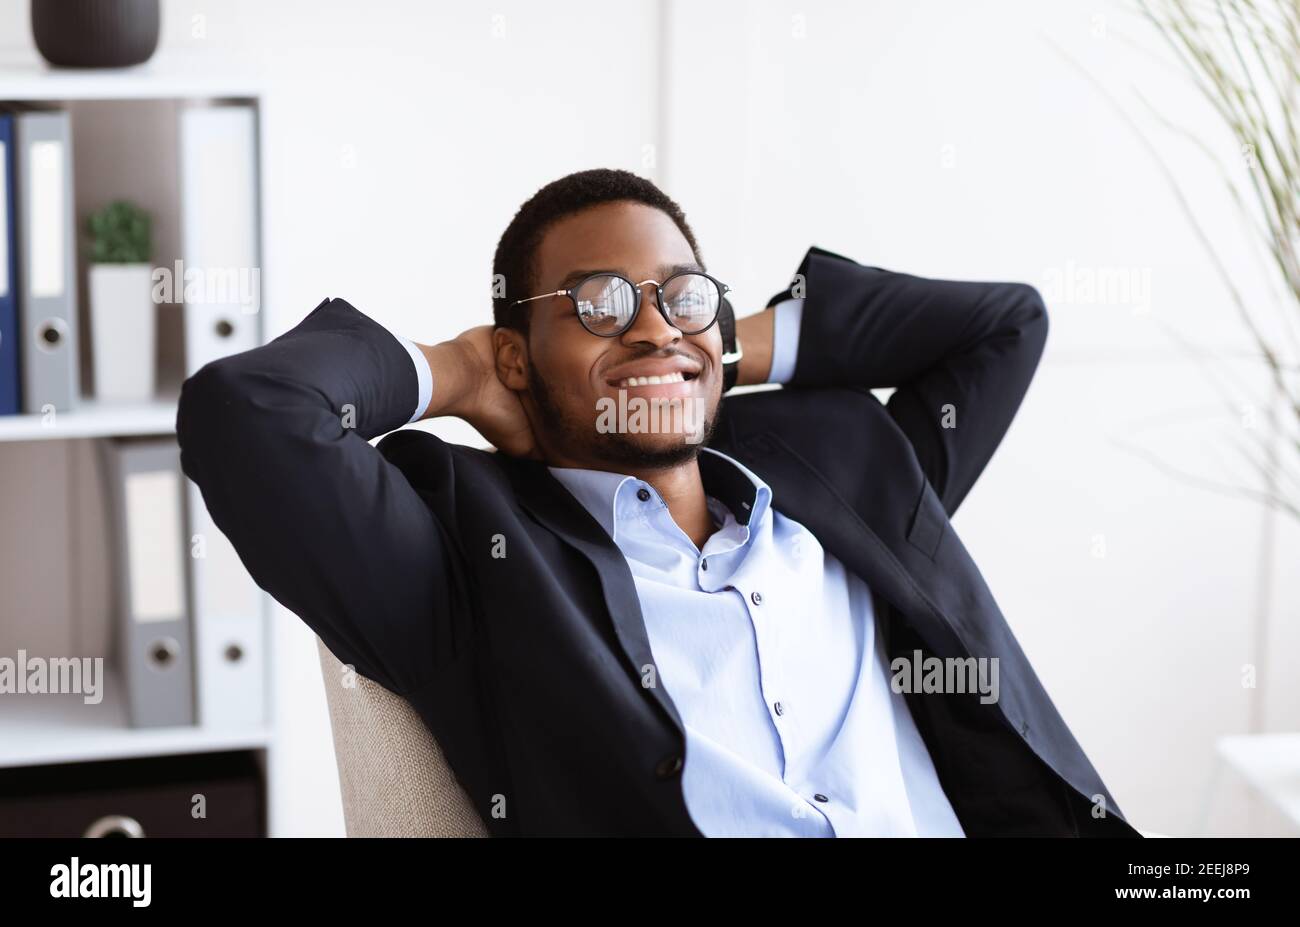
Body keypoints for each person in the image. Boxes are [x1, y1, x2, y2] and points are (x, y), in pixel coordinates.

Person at [176, 168, 1138, 837]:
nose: (647, 323)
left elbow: (1005, 327)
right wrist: (461, 368)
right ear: (518, 356)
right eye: (597, 303)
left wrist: (711, 342)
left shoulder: (842, 464)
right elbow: (244, 413)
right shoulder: (474, 554)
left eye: (679, 294)